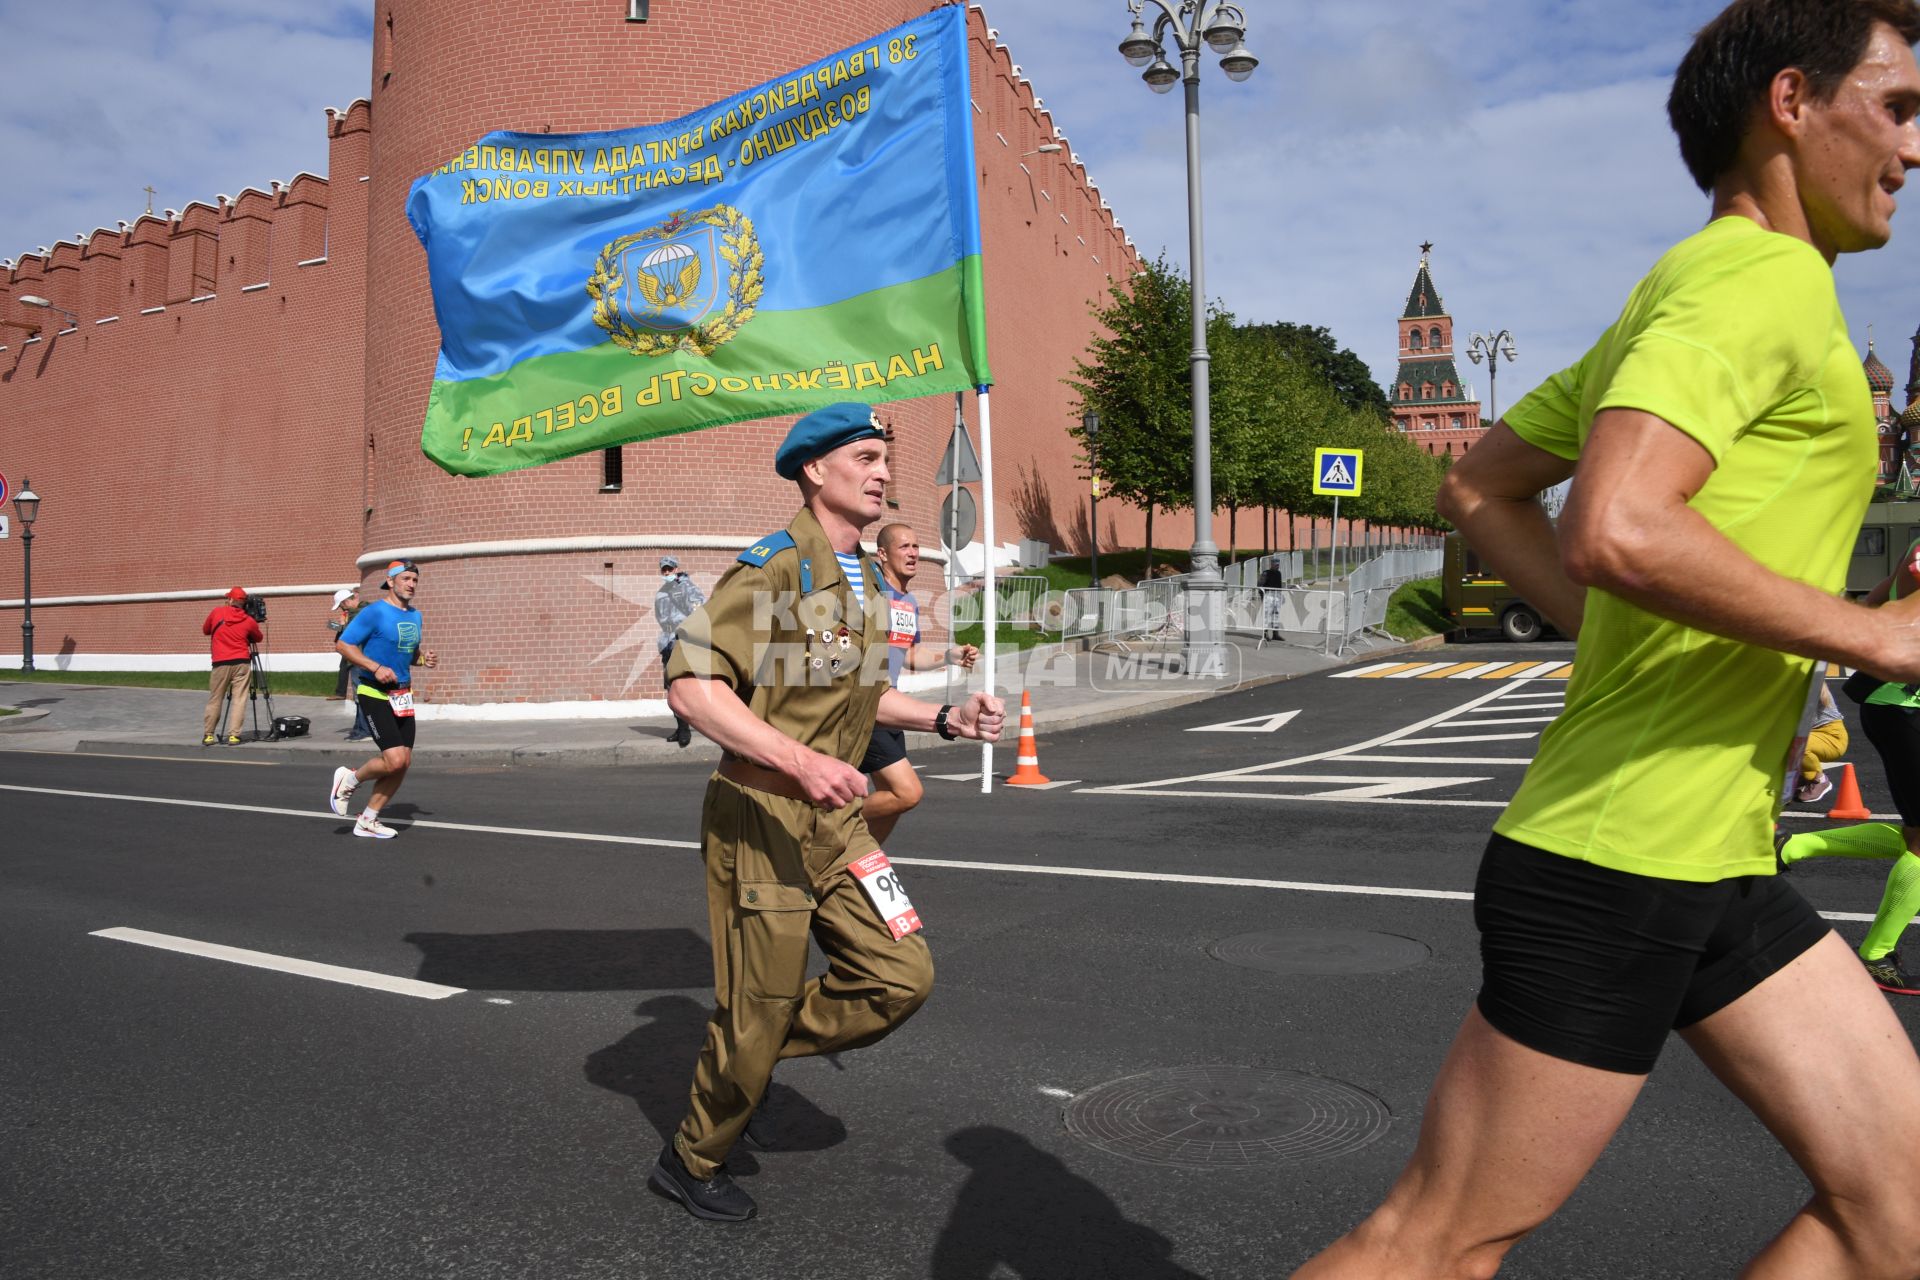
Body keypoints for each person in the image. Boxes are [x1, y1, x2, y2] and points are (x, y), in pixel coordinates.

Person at [1295, 4, 1920, 1276]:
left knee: (1897, 1203)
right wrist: (1876, 635)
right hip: (1620, 851)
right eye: (1898, 107)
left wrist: (1635, 643)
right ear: (1791, 103)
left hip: (1716, 850)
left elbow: (1475, 488)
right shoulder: (1764, 279)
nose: (1913, 148)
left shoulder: (1678, 290)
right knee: (1439, 1239)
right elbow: (1621, 524)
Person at [652, 402, 1005, 1222]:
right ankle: (693, 1155)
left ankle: (756, 1055)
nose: (883, 472)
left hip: (836, 822)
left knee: (899, 974)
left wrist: (945, 720)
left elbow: (865, 693)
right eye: (866, 456)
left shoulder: (866, 581)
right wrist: (797, 757)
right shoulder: (773, 570)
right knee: (758, 1005)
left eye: (886, 459)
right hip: (763, 815)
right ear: (816, 469)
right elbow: (691, 685)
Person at [1779, 536, 1920, 993]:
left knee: (1913, 835)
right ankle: (1876, 955)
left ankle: (1791, 849)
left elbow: (1878, 596)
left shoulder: (1913, 544)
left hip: (1897, 704)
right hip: (1904, 706)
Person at [860, 521, 979, 844]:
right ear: (882, 554)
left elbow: (910, 654)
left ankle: (860, 861)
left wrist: (949, 657)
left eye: (915, 547)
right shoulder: (870, 591)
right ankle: (831, 832)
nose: (913, 553)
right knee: (906, 792)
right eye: (904, 546)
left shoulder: (908, 602)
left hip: (892, 708)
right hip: (865, 707)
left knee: (892, 802)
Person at [328, 560, 439, 839]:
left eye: (415, 579)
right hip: (373, 691)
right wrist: (374, 667)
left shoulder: (415, 616)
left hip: (402, 695)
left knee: (404, 762)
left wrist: (423, 659)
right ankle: (349, 779)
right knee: (393, 759)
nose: (411, 584)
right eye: (406, 579)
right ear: (390, 581)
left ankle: (368, 819)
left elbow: (408, 651)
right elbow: (343, 645)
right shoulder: (375, 612)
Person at [654, 556, 705, 747]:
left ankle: (686, 730)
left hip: (681, 642)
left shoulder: (686, 587)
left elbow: (699, 610)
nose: (666, 572)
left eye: (669, 569)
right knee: (671, 688)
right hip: (667, 643)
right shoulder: (661, 593)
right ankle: (680, 727)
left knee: (683, 687)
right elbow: (659, 616)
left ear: (676, 569)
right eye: (663, 570)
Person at [201, 586, 262, 746]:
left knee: (215, 698)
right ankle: (234, 735)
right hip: (241, 662)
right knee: (239, 699)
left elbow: (206, 630)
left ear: (230, 600)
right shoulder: (248, 620)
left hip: (220, 662)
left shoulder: (217, 613)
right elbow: (258, 637)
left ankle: (209, 735)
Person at [1795, 681, 1849, 803]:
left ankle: (1819, 780)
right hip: (1811, 735)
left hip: (1832, 737)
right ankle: (1800, 778)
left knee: (1799, 744)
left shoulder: (1812, 683)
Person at [328, 587, 361, 700]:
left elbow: (352, 632)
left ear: (345, 601)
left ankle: (341, 693)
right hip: (351, 649)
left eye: (342, 606)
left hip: (356, 651)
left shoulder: (357, 612)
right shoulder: (348, 613)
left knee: (359, 696)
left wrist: (342, 625)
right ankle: (340, 693)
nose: (342, 609)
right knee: (344, 667)